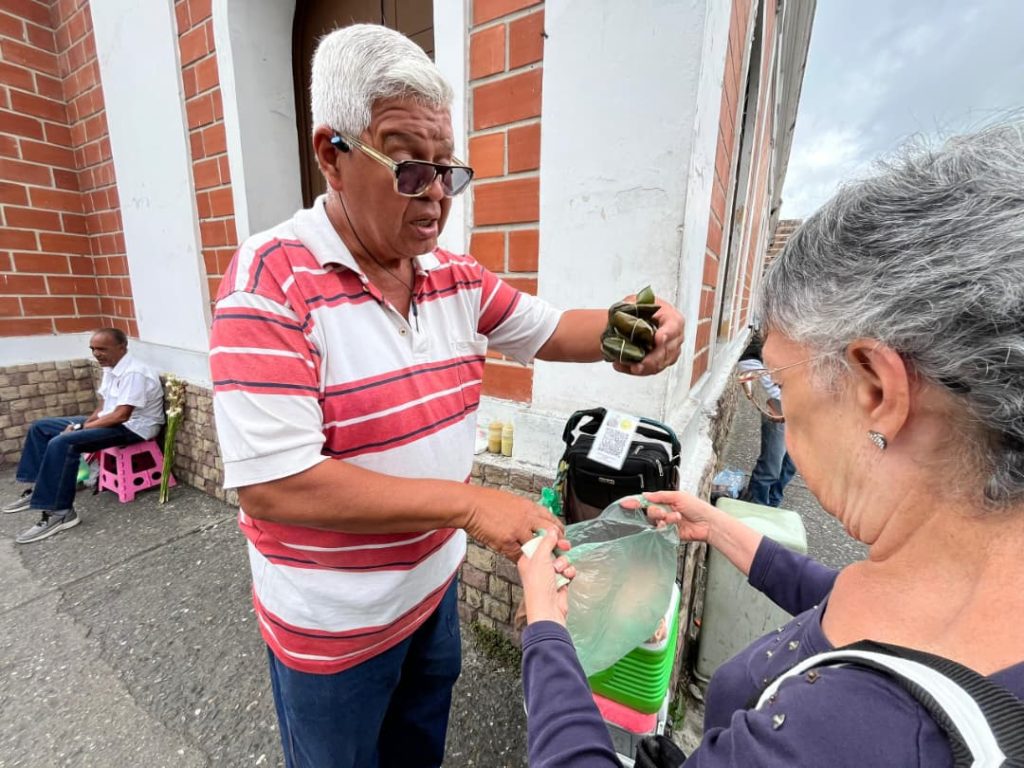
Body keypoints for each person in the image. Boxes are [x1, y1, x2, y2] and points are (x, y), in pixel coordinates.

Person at [208, 24, 683, 768]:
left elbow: (554, 329)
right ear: (331, 154)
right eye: (408, 168)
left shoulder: (455, 278)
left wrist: (640, 327)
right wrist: (469, 506)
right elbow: (275, 485)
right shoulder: (269, 282)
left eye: (447, 171)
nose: (435, 195)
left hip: (431, 601)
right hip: (334, 635)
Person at [518, 121, 1024, 766]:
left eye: (779, 385)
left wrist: (546, 628)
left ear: (877, 390)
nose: (775, 408)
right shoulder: (955, 577)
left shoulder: (841, 737)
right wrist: (718, 527)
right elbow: (843, 599)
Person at [4, 328, 165, 544]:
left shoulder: (134, 372)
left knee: (63, 442)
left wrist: (82, 429)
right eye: (93, 349)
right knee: (41, 427)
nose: (97, 354)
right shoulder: (111, 367)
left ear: (122, 347)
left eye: (102, 349)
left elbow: (121, 415)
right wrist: (83, 425)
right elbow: (103, 407)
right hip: (112, 420)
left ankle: (60, 512)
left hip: (134, 428)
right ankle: (42, 488)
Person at [737, 330, 796, 506]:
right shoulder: (779, 330)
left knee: (789, 467)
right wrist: (778, 395)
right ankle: (755, 506)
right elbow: (747, 358)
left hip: (804, 411)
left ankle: (773, 506)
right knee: (771, 468)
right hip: (778, 408)